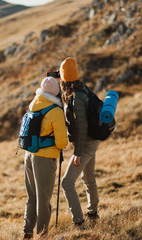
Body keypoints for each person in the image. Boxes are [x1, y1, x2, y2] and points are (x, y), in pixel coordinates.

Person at [22, 77, 68, 239]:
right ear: (56, 92)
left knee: (32, 196)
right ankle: (42, 234)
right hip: (45, 158)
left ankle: (27, 231)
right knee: (43, 198)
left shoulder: (34, 103)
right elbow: (62, 143)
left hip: (29, 155)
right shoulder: (55, 111)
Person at [59, 57, 100, 226]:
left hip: (85, 144)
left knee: (67, 182)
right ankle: (93, 214)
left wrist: (77, 153)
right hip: (92, 141)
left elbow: (82, 128)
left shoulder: (77, 98)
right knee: (89, 178)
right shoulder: (83, 89)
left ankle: (78, 223)